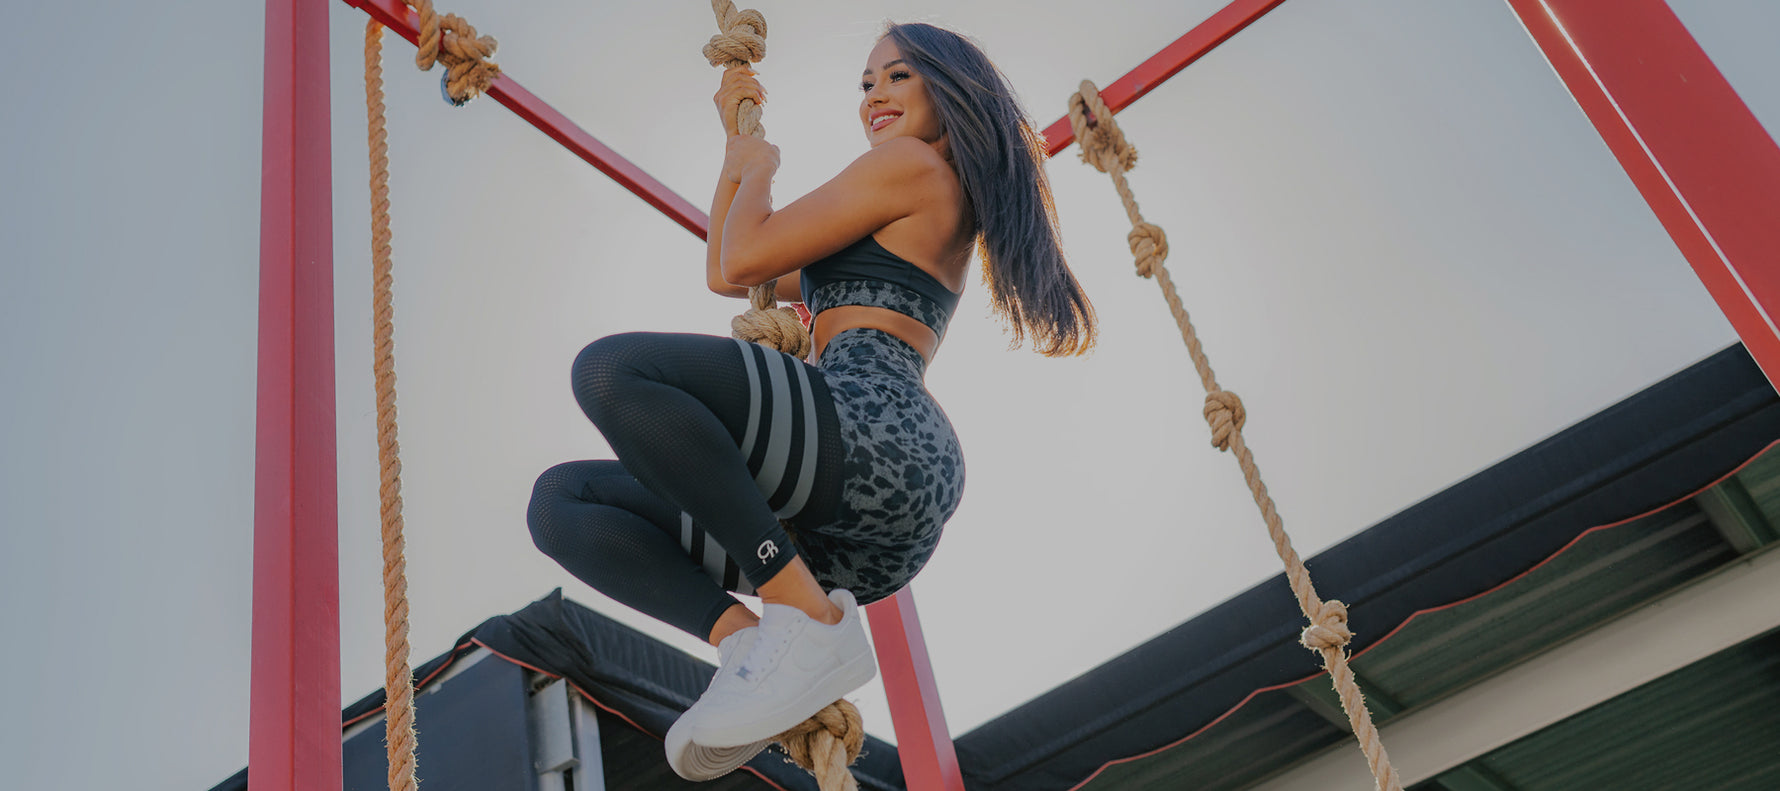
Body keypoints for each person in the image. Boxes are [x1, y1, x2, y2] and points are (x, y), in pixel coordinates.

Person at [526, 21, 1095, 781]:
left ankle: (806, 617)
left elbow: (746, 251)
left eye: (897, 77)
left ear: (950, 89)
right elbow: (728, 274)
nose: (875, 98)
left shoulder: (914, 167)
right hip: (847, 511)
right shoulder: (908, 199)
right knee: (563, 502)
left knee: (612, 373)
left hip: (870, 429)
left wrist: (759, 166)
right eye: (865, 84)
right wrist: (739, 158)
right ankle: (752, 645)